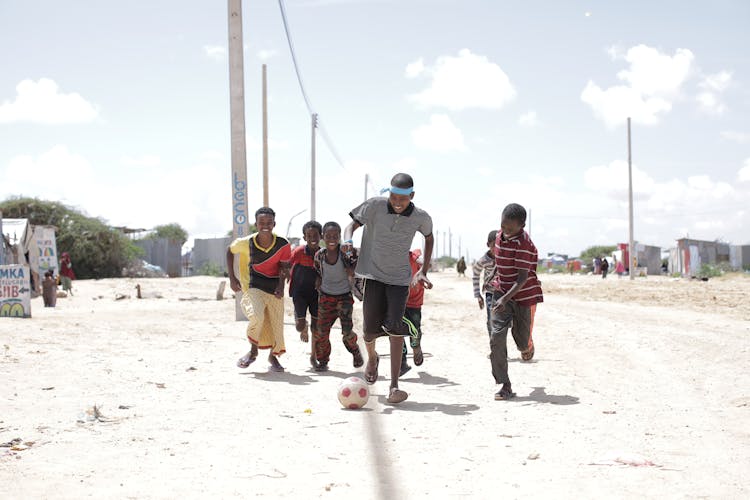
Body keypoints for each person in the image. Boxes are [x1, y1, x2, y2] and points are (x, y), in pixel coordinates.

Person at [342, 172, 433, 404]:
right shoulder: (374, 206)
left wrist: (424, 270)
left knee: (395, 327)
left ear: (411, 196)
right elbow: (350, 226)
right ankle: (372, 358)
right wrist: (348, 241)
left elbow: (429, 237)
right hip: (372, 275)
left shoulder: (421, 217)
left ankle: (394, 386)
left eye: (402, 199)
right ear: (389, 193)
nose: (397, 202)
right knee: (370, 331)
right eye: (393, 197)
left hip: (399, 279)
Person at [489, 203, 543, 401]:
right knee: (496, 336)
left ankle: (527, 346)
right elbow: (499, 258)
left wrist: (505, 298)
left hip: (522, 295)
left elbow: (521, 279)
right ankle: (505, 384)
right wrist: (495, 275)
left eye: (511, 228)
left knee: (521, 341)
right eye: (503, 226)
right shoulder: (498, 236)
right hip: (501, 290)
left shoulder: (524, 245)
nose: (506, 231)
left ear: (522, 226)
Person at [227, 207, 291, 372]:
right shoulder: (246, 242)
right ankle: (253, 352)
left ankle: (273, 356)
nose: (265, 225)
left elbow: (284, 268)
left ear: (274, 224)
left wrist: (281, 287)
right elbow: (230, 250)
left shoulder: (283, 244)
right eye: (261, 222)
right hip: (253, 285)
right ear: (256, 224)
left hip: (274, 287)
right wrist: (232, 278)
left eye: (269, 222)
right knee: (257, 316)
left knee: (276, 324)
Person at [312, 221, 364, 372]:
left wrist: (350, 270)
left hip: (344, 298)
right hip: (326, 298)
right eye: (328, 236)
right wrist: (318, 281)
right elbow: (317, 271)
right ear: (323, 237)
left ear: (340, 236)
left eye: (335, 236)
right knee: (321, 332)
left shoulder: (346, 253)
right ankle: (323, 361)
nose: (332, 239)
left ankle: (355, 352)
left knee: (347, 332)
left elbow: (357, 266)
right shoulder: (319, 255)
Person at [288, 220, 323, 367]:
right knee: (299, 326)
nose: (313, 238)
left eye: (316, 235)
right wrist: (284, 277)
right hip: (299, 292)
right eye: (309, 235)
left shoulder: (323, 254)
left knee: (316, 327)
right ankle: (303, 326)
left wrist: (320, 279)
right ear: (304, 237)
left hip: (316, 293)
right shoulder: (298, 252)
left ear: (321, 236)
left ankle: (313, 357)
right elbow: (286, 264)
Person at [399, 249, 431, 376]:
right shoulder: (391, 257)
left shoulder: (413, 256)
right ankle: (401, 362)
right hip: (398, 300)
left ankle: (416, 347)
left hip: (414, 301)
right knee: (396, 332)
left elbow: (425, 263)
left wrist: (420, 273)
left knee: (415, 329)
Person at [472, 230, 498, 338]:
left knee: (504, 322)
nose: (496, 249)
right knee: (491, 319)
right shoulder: (483, 260)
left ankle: (499, 346)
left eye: (499, 245)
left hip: (505, 294)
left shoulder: (505, 258)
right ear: (488, 245)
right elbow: (475, 275)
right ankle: (494, 346)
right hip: (490, 294)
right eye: (493, 245)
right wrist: (478, 295)